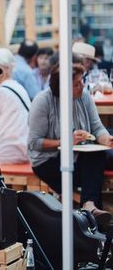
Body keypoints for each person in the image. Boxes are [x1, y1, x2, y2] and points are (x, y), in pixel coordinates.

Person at [28, 63, 113, 228]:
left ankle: (89, 207)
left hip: (76, 158)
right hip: (48, 161)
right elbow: (34, 143)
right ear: (63, 87)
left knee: (97, 153)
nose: (82, 86)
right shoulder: (43, 101)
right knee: (94, 167)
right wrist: (65, 142)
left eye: (82, 81)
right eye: (76, 84)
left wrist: (106, 139)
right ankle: (92, 217)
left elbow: (97, 128)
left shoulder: (84, 96)